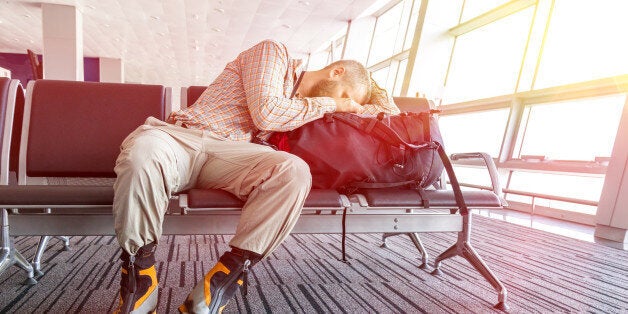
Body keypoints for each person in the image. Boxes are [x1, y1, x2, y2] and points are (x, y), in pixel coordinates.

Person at [112, 39, 400, 314]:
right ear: (336, 72)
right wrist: (335, 104)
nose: (343, 107)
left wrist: (366, 92)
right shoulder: (274, 53)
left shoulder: (306, 107)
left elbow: (391, 114)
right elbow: (267, 113)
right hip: (182, 138)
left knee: (294, 171)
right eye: (345, 98)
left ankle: (218, 286)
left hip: (233, 155)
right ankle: (140, 283)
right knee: (143, 154)